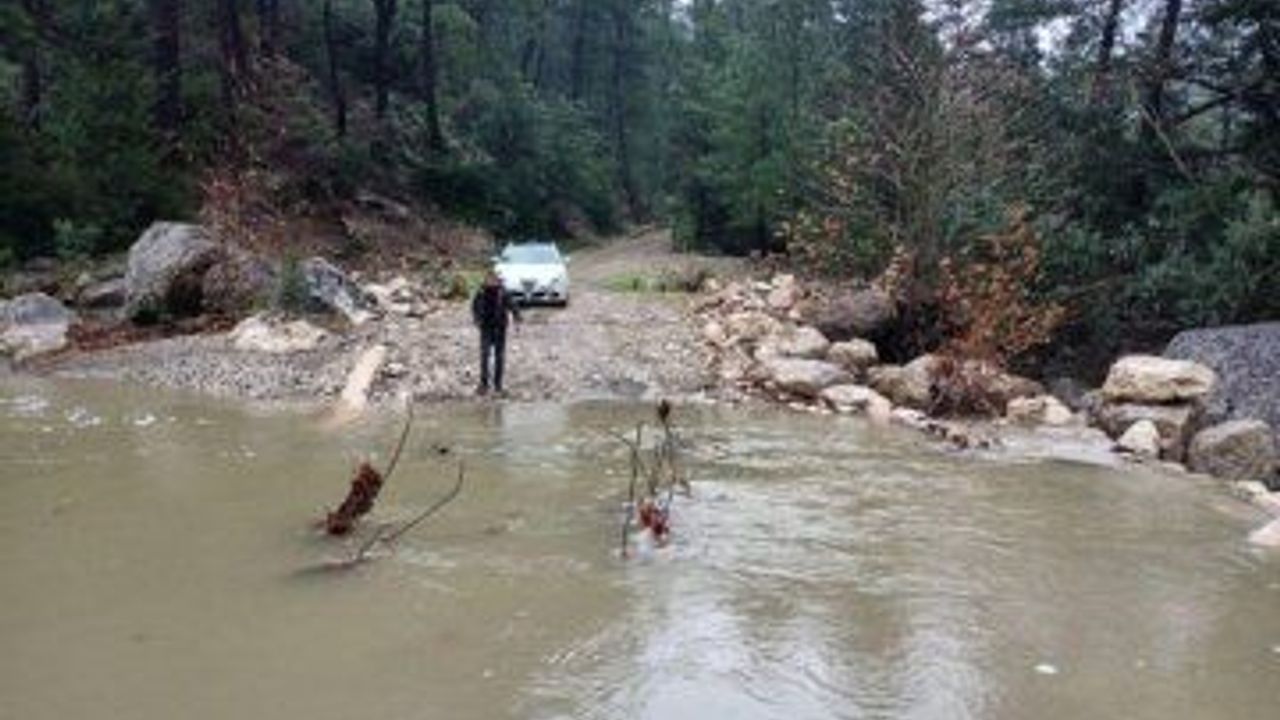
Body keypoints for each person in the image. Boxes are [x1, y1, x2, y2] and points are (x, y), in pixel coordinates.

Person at [471, 270, 521, 395]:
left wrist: (517, 317)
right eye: (489, 280)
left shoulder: (503, 292)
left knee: (499, 357)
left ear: (498, 281)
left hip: (500, 328)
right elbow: (474, 306)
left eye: (494, 280)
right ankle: (484, 384)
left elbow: (512, 305)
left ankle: (498, 384)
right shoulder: (481, 292)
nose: (491, 282)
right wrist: (476, 319)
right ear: (485, 281)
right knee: (485, 355)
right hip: (486, 328)